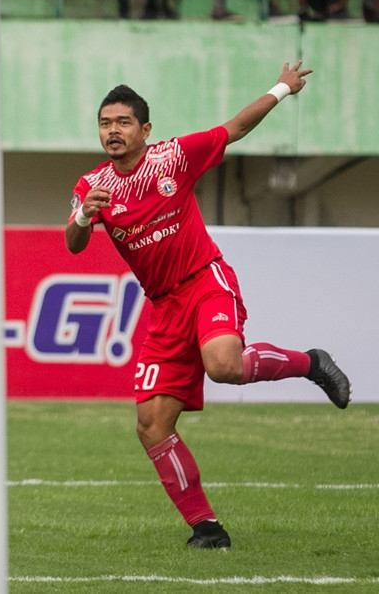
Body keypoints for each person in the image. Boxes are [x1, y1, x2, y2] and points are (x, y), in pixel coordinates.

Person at [64, 61, 351, 549]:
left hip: (204, 281)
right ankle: (206, 528)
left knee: (223, 367)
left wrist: (283, 88)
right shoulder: (92, 185)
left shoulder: (174, 157)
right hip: (164, 307)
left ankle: (311, 363)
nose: (112, 131)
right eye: (105, 123)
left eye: (123, 122)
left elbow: (235, 128)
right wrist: (84, 216)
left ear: (145, 130)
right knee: (151, 425)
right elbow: (73, 244)